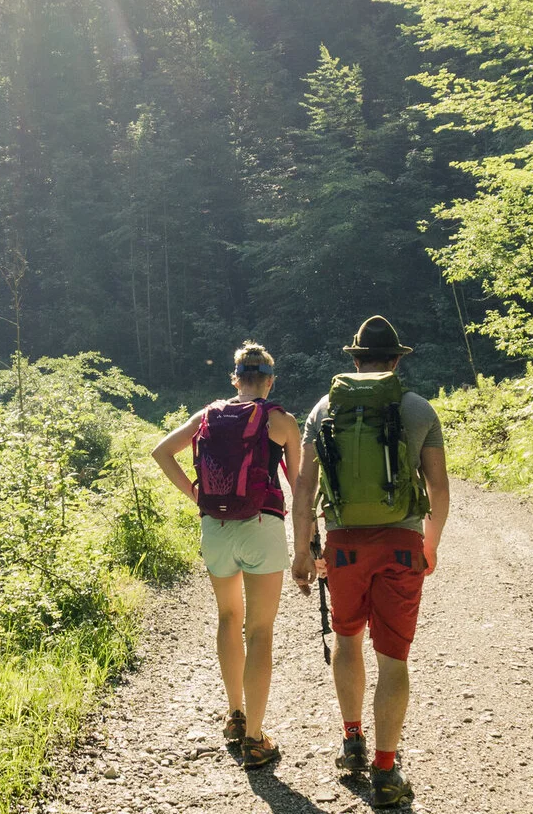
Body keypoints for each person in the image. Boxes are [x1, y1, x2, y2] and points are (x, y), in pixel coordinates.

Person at [290, 316, 450, 808]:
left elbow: (304, 487)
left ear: (355, 359)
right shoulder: (417, 408)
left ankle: (352, 740)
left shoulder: (324, 408)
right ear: (397, 360)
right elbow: (439, 488)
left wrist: (302, 550)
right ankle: (385, 770)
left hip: (343, 545)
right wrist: (431, 544)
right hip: (401, 542)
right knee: (393, 657)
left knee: (347, 638)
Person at [152, 342, 302, 769]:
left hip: (214, 528)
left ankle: (234, 716)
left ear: (235, 378)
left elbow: (161, 451)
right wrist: (311, 535)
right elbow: (299, 483)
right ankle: (255, 739)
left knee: (228, 618)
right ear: (270, 381)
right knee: (260, 631)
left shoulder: (208, 416)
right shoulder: (280, 421)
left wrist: (195, 493)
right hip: (262, 527)